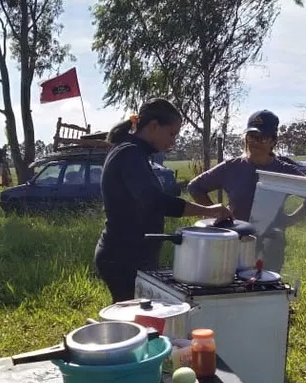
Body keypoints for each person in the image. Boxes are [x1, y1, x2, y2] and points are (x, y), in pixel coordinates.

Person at [94, 98, 231, 303]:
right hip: (123, 256)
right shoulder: (130, 154)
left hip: (130, 253)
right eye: (172, 133)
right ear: (154, 126)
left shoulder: (134, 152)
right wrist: (209, 210)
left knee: (136, 321)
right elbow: (155, 201)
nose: (173, 141)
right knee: (134, 323)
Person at [187, 110, 306, 271]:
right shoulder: (231, 167)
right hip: (237, 242)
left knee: (267, 290)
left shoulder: (283, 170)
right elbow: (195, 187)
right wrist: (215, 214)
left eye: (262, 138)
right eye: (251, 136)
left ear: (273, 142)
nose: (255, 142)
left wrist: (291, 220)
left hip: (271, 246)